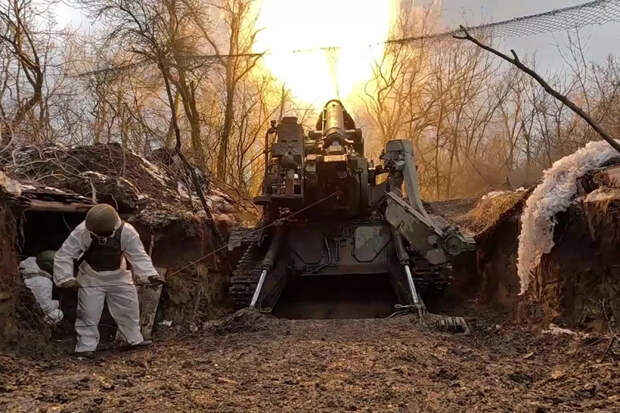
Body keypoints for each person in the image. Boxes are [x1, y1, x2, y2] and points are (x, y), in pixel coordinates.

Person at [54, 203, 161, 359]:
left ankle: (134, 340)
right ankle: (85, 347)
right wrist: (66, 279)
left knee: (128, 309)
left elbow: (138, 255)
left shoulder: (127, 232)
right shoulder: (83, 230)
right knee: (88, 313)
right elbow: (65, 253)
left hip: (119, 276)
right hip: (91, 276)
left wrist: (150, 274)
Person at [19, 250, 64, 326]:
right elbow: (45, 307)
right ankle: (40, 328)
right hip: (28, 311)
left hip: (25, 301)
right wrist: (56, 303)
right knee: (59, 314)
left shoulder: (28, 264)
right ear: (47, 266)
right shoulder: (44, 283)